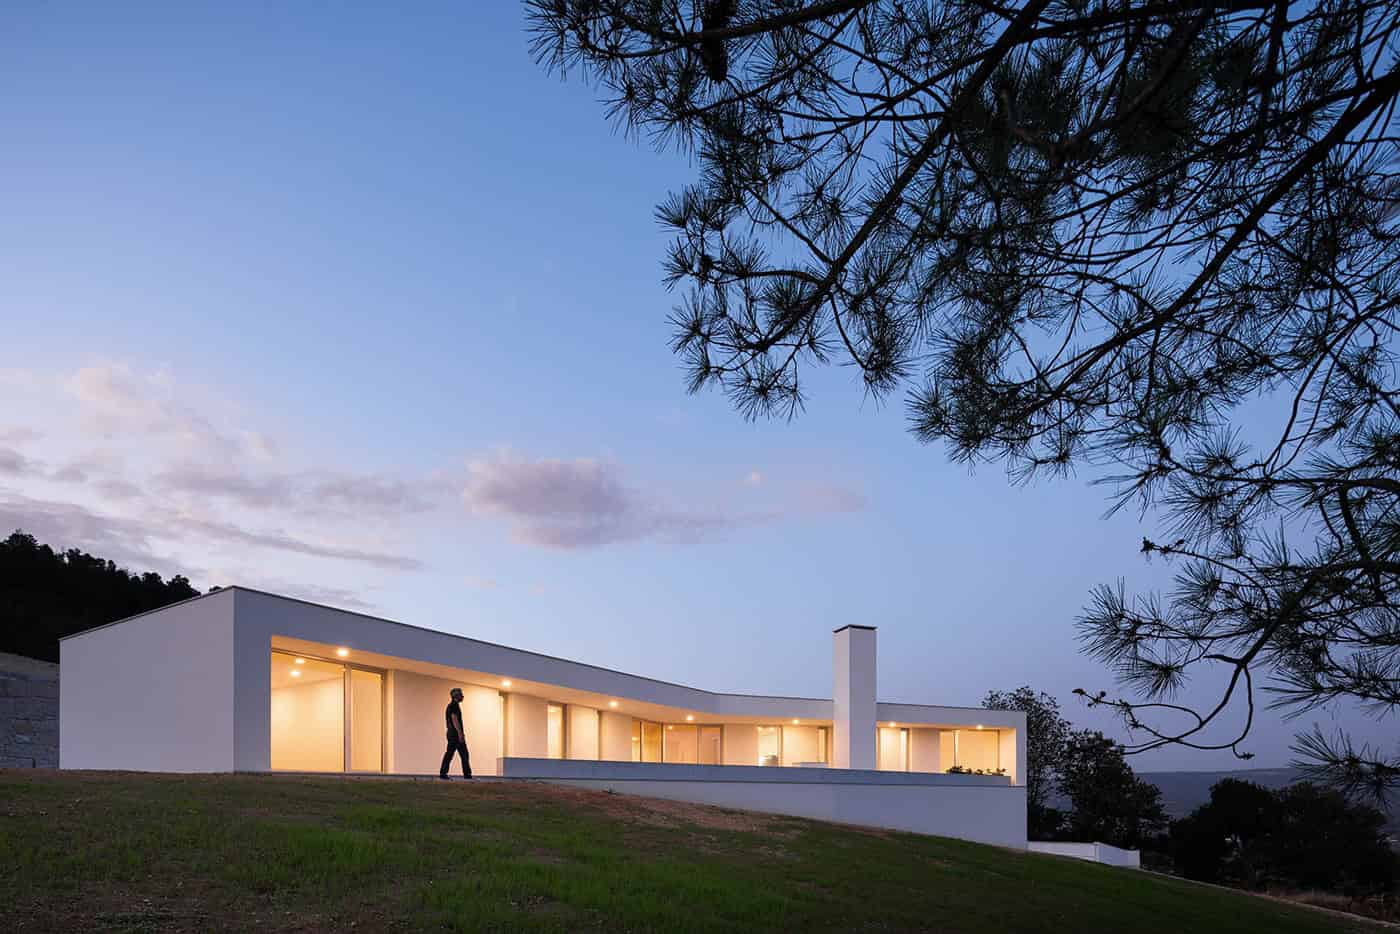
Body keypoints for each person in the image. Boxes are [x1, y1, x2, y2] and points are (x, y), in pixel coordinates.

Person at [440, 687, 472, 780]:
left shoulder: (452, 705)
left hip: (451, 733)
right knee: (464, 754)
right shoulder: (454, 706)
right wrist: (460, 734)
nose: (462, 696)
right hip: (455, 734)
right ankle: (467, 775)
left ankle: (443, 773)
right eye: (461, 694)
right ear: (456, 696)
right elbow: (455, 719)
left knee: (450, 753)